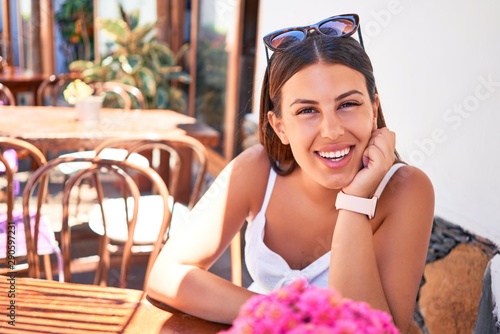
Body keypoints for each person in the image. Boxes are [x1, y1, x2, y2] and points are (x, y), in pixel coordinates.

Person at [147, 13, 434, 333]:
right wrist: (281, 315)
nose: (332, 131)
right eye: (307, 111)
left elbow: (370, 331)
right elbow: (166, 275)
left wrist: (355, 201)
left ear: (374, 108)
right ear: (279, 126)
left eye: (348, 104)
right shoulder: (256, 168)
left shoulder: (407, 189)